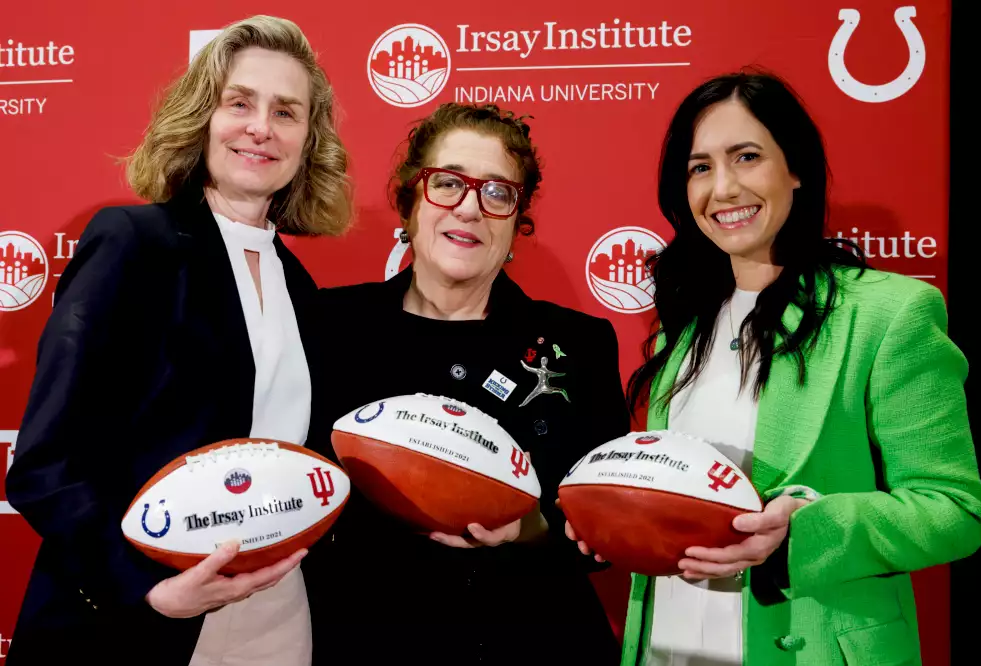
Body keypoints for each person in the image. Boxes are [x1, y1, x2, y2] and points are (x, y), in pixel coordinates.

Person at [565, 71, 981, 665]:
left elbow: (954, 511)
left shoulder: (889, 313)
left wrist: (803, 531)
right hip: (666, 644)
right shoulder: (682, 331)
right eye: (700, 167)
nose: (724, 188)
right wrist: (616, 520)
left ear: (795, 169)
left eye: (747, 157)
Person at [4, 15, 350, 666]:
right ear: (202, 117)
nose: (260, 128)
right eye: (239, 102)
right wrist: (150, 588)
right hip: (138, 618)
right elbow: (44, 465)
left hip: (277, 616)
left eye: (286, 112)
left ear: (308, 140)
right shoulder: (135, 244)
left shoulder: (299, 285)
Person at [304, 102, 628, 665]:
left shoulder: (579, 342)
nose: (471, 209)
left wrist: (528, 527)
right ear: (409, 200)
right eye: (447, 183)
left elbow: (605, 529)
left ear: (516, 218)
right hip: (367, 640)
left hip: (537, 640)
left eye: (497, 192)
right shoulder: (327, 327)